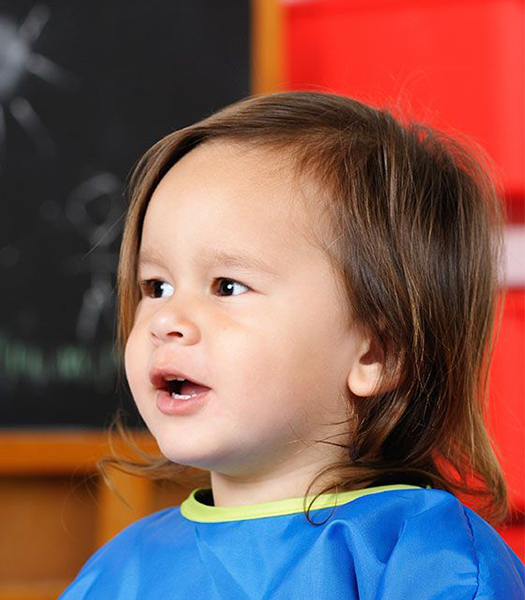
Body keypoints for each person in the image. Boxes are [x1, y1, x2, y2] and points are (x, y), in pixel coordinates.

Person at [59, 91, 525, 599]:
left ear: (376, 354)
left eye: (227, 287)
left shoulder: (425, 562)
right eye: (156, 286)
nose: (166, 320)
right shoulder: (120, 568)